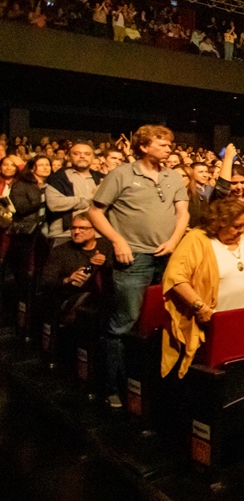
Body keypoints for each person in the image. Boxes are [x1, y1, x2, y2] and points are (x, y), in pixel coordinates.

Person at [89, 125, 189, 409]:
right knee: (123, 323)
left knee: (164, 320)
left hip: (168, 255)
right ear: (143, 146)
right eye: (163, 144)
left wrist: (174, 240)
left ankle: (155, 385)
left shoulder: (173, 176)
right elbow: (95, 212)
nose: (169, 148)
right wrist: (117, 241)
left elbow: (183, 212)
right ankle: (112, 387)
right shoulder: (121, 174)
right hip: (133, 258)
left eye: (170, 143)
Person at [160, 198, 244, 378]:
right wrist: (200, 307)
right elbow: (175, 277)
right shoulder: (197, 239)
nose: (242, 230)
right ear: (219, 223)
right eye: (236, 226)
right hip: (211, 325)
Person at [39, 212, 113, 328]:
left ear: (94, 230)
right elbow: (45, 281)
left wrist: (105, 263)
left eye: (82, 228)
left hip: (102, 297)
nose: (76, 232)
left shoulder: (106, 246)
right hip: (69, 298)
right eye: (73, 228)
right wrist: (68, 279)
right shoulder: (61, 251)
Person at [44, 142, 102, 244]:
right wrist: (92, 198)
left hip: (97, 234)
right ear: (69, 157)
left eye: (87, 154)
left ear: (93, 158)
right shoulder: (58, 178)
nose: (82, 156)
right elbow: (55, 204)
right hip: (65, 235)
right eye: (77, 153)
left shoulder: (102, 178)